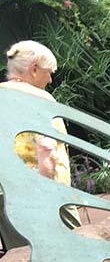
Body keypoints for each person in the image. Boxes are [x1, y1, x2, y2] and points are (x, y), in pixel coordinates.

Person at [1, 41, 72, 185]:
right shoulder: (39, 99)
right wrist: (46, 189)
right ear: (34, 69)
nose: (50, 80)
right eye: (49, 73)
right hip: (34, 188)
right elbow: (46, 146)